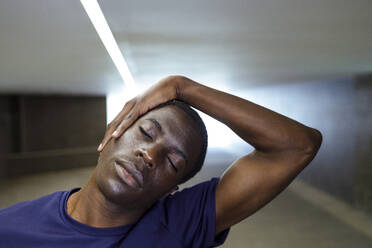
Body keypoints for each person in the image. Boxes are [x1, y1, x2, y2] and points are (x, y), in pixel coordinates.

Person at [0, 75, 322, 247]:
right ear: (114, 131)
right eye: (147, 132)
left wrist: (184, 87)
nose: (149, 155)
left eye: (173, 163)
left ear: (172, 189)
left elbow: (297, 146)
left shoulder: (178, 225)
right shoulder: (10, 227)